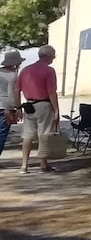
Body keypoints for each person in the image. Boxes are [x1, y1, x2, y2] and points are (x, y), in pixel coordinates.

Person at [17, 45, 60, 174]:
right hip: (44, 104)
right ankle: (43, 164)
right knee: (44, 134)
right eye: (53, 56)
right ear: (48, 56)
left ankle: (24, 166)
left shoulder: (25, 70)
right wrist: (56, 109)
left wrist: (18, 106)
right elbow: (51, 92)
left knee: (27, 135)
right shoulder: (49, 70)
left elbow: (16, 90)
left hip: (29, 104)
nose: (53, 58)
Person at [0, 50, 23, 160]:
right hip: (5, 107)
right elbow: (12, 93)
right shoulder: (13, 75)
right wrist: (17, 107)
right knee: (2, 134)